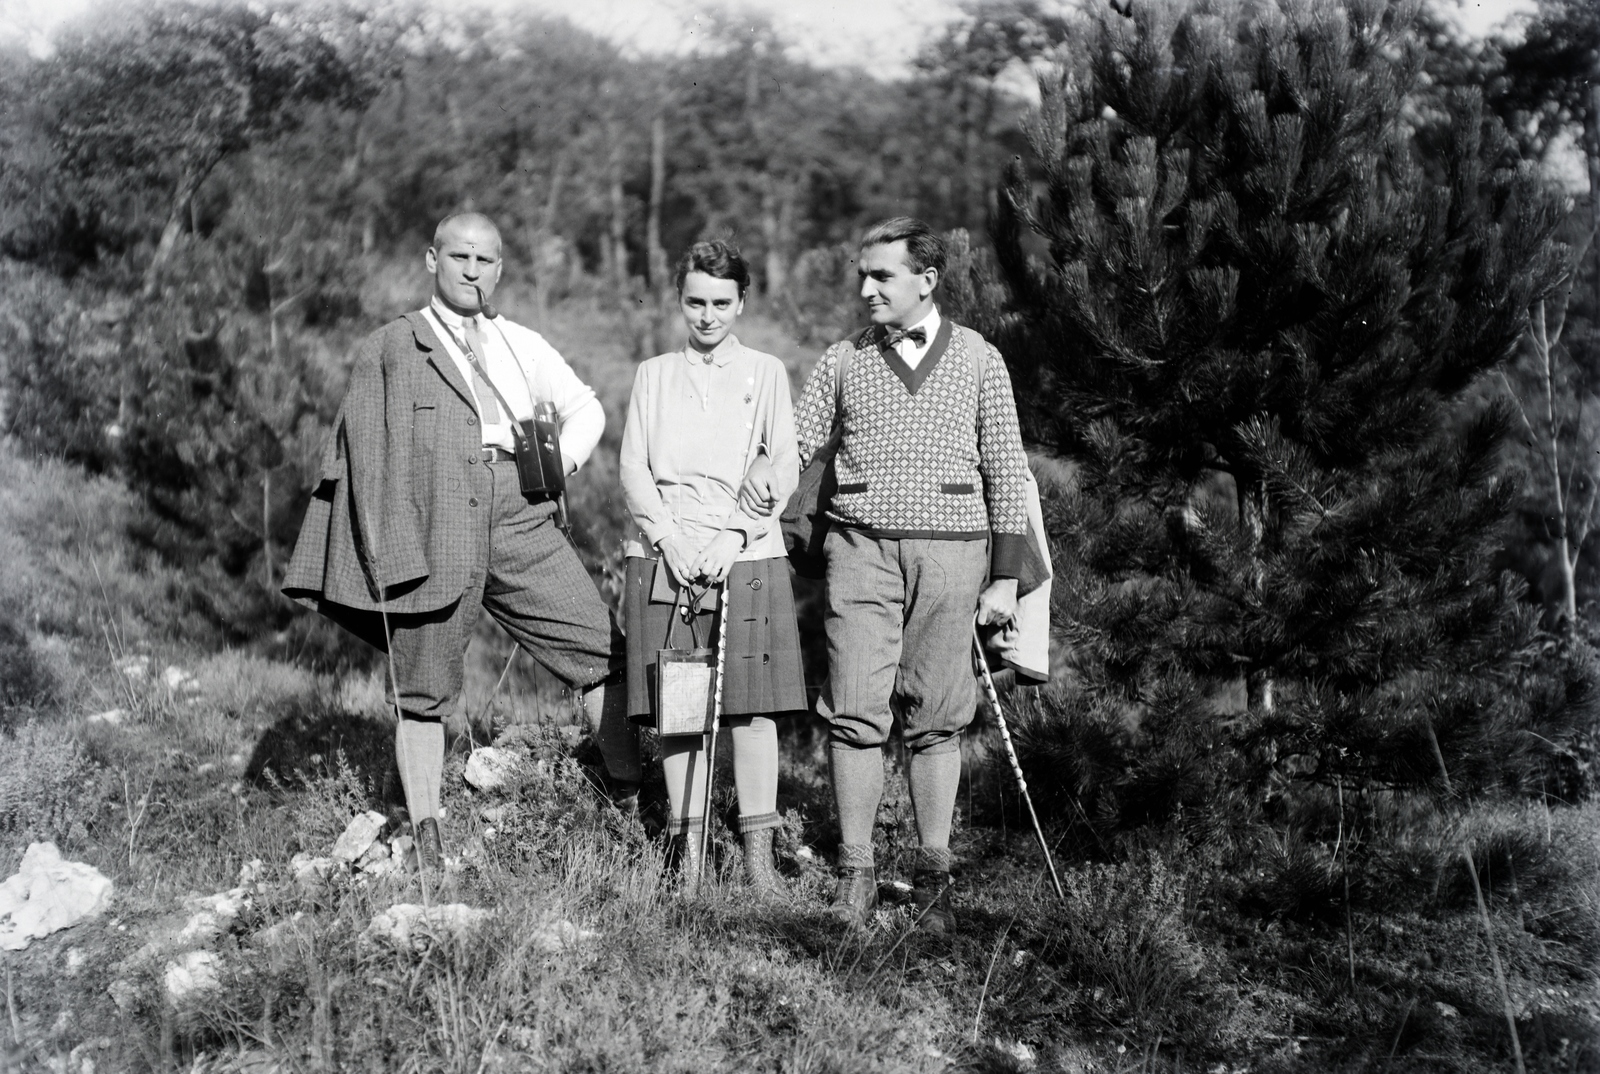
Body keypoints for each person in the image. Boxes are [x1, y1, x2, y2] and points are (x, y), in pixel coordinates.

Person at [283, 212, 643, 873]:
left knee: (600, 648)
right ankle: (425, 842)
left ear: (499, 269)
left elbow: (587, 407)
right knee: (421, 688)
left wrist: (555, 464)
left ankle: (629, 801)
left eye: (486, 261)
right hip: (434, 517)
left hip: (519, 510)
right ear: (431, 260)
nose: (472, 271)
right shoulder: (393, 346)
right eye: (459, 257)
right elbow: (366, 454)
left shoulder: (520, 344)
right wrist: (391, 552)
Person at [751, 216, 1030, 932]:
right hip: (859, 552)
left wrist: (1003, 578)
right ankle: (857, 872)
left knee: (937, 717)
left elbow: (1006, 469)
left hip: (955, 555)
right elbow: (796, 442)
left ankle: (934, 876)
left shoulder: (979, 359)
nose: (866, 288)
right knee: (853, 710)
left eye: (882, 276)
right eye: (862, 275)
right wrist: (753, 477)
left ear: (926, 280)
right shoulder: (843, 359)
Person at [618, 239, 805, 897]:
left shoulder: (767, 372)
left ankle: (757, 863)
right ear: (680, 300)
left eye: (721, 302)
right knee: (682, 708)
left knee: (753, 712)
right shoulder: (653, 374)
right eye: (695, 301)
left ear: (742, 301)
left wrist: (735, 534)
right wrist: (668, 538)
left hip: (745, 557)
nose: (707, 315)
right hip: (667, 558)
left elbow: (783, 463)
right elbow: (632, 468)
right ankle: (688, 862)